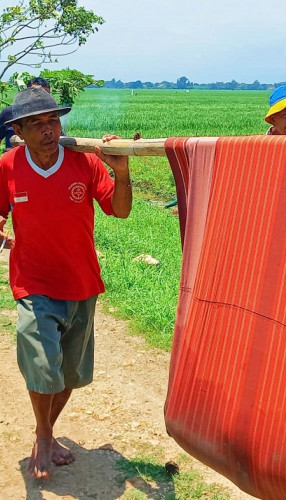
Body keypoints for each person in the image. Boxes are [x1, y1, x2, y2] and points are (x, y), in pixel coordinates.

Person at [0, 86, 132, 478]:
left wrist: (119, 169)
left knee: (69, 375)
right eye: (36, 123)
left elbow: (120, 211)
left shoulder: (84, 163)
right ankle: (43, 435)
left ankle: (48, 431)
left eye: (53, 120)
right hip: (33, 282)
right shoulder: (8, 166)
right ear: (19, 132)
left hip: (81, 281)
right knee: (43, 365)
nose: (48, 129)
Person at [1, 78, 55, 152]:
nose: (41, 99)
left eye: (45, 95)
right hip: (14, 161)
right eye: (36, 94)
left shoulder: (51, 116)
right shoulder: (9, 113)